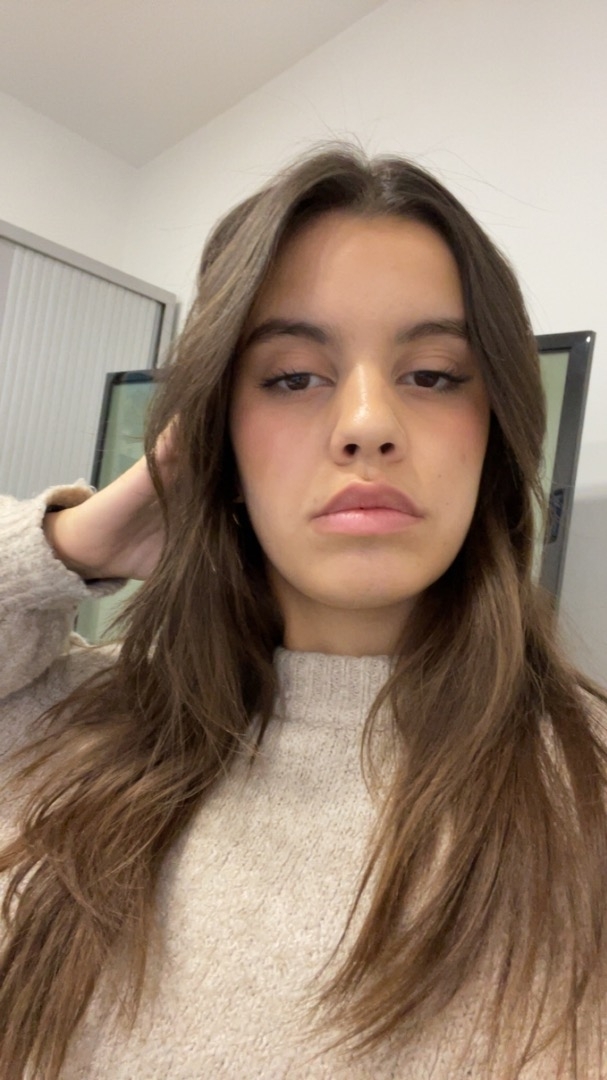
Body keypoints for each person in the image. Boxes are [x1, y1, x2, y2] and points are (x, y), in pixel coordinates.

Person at [0, 145, 606, 1080]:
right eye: (290, 377)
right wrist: (72, 544)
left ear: (495, 433)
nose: (366, 424)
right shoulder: (61, 722)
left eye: (433, 375)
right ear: (215, 436)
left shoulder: (583, 785)